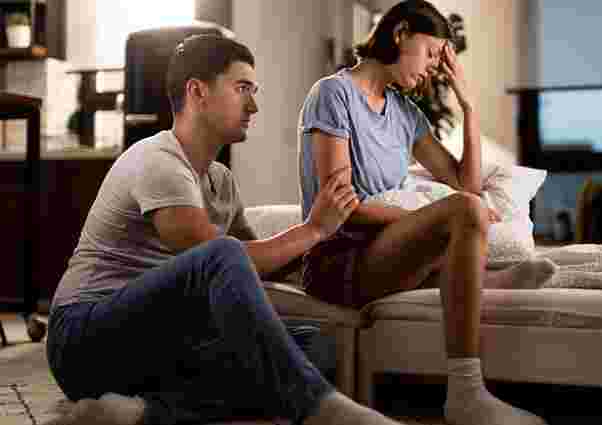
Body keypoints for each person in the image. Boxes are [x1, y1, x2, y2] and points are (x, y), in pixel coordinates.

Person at [45, 34, 406, 425]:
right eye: (242, 88)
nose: (253, 105)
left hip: (160, 343)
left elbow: (256, 267)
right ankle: (320, 409)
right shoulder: (158, 161)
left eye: (254, 91)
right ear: (197, 92)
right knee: (224, 252)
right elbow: (213, 254)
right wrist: (313, 229)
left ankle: (140, 413)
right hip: (84, 339)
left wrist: (343, 238)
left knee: (313, 346)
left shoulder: (220, 180)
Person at [297, 2, 553, 425]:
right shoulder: (332, 94)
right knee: (463, 212)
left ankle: (477, 282)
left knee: (466, 208)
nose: (435, 67)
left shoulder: (405, 113)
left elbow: (466, 185)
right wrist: (431, 216)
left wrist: (469, 106)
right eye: (432, 53)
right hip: (338, 262)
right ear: (400, 34)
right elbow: (342, 209)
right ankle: (467, 392)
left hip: (388, 255)